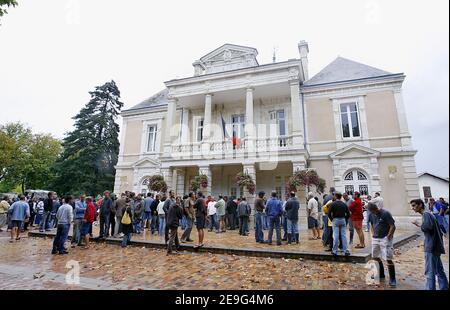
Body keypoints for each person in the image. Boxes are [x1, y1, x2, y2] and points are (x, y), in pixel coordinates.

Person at [411, 199, 449, 290]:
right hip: (435, 246)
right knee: (439, 270)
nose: (413, 208)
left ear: (420, 205)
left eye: (414, 205)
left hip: (431, 247)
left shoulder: (426, 214)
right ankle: (444, 287)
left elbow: (427, 228)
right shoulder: (429, 213)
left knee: (430, 272)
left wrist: (419, 224)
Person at [367, 202, 397, 288]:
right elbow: (372, 225)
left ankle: (392, 279)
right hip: (375, 238)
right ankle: (381, 274)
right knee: (375, 257)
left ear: (376, 208)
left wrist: (389, 236)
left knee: (388, 258)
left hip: (385, 238)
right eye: (372, 211)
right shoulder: (371, 215)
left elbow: (393, 226)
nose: (374, 212)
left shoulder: (385, 213)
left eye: (375, 210)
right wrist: (373, 234)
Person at [328, 192, 350, 256]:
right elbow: (348, 214)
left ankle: (334, 251)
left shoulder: (332, 204)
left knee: (335, 236)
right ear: (341, 197)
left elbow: (329, 214)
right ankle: (345, 250)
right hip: (343, 219)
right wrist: (345, 219)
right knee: (344, 236)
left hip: (335, 220)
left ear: (335, 196)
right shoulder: (344, 204)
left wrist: (332, 220)